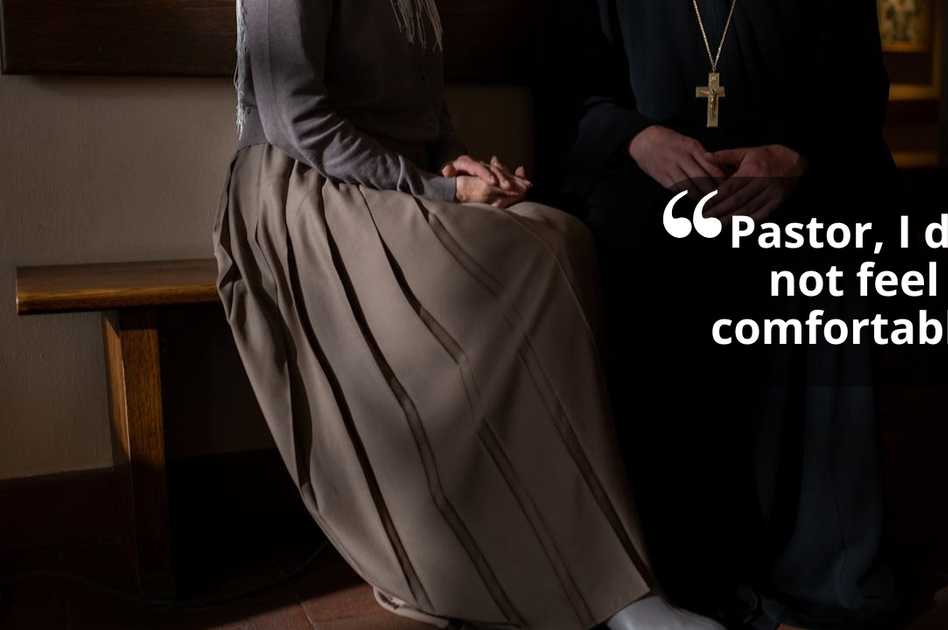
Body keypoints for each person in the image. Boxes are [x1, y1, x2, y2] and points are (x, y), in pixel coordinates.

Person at [213, 2, 729, 630]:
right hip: (304, 194)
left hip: (396, 184)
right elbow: (297, 121)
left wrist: (463, 166)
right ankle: (605, 593)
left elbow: (428, 115)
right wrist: (444, 192)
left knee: (562, 237)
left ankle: (606, 559)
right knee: (524, 257)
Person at [548, 1, 903, 629]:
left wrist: (796, 158)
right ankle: (683, 568)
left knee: (827, 259)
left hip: (793, 185)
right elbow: (572, 86)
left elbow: (859, 93)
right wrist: (638, 138)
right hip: (650, 187)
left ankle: (820, 558)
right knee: (644, 260)